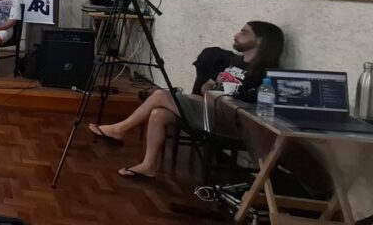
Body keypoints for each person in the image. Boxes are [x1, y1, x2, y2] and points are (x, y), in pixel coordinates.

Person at [88, 22, 284, 179]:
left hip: (229, 121)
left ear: (260, 40)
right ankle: (149, 166)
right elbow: (207, 85)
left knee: (160, 95)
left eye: (244, 32)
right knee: (159, 114)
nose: (236, 35)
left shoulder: (265, 73)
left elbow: (253, 104)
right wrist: (207, 92)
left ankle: (119, 129)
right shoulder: (236, 62)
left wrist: (224, 95)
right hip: (209, 108)